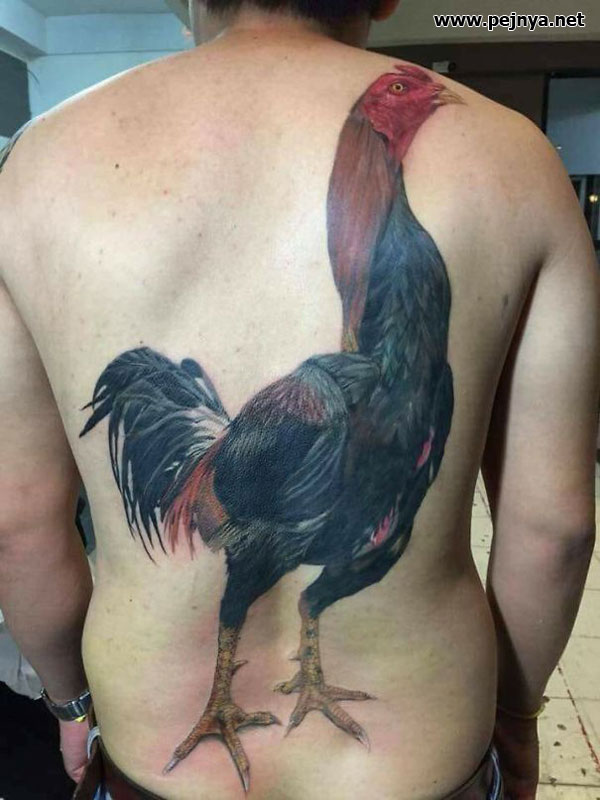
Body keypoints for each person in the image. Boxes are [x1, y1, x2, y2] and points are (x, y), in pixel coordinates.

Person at [0, 1, 597, 798]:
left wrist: (71, 703)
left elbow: (16, 524)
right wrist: (518, 717)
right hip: (420, 762)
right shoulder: (515, 157)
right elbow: (554, 531)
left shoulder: (40, 163)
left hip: (156, 765)